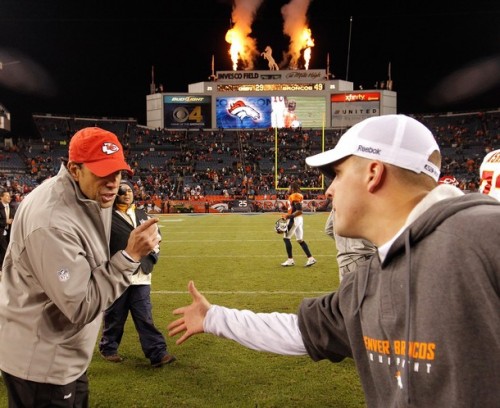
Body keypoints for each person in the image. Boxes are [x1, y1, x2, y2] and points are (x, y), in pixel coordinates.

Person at [167, 114, 500, 408]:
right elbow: (301, 331)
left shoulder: (482, 233)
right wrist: (214, 318)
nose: (329, 191)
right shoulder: (368, 280)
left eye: (337, 174)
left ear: (374, 172)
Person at [0, 127, 161, 408]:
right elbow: (80, 305)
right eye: (103, 172)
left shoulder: (87, 195)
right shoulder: (51, 222)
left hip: (63, 354)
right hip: (42, 362)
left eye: (118, 173)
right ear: (75, 169)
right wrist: (131, 256)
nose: (114, 183)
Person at [99, 180, 176, 367]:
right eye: (123, 191)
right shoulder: (106, 217)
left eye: (130, 190)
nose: (127, 194)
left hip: (142, 275)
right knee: (115, 316)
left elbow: (157, 237)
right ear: (116, 194)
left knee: (144, 315)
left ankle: (157, 353)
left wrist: (153, 257)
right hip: (119, 274)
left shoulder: (142, 214)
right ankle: (108, 347)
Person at [324, 208, 376, 282]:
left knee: (347, 292)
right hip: (362, 257)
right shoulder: (366, 203)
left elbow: (328, 229)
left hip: (343, 260)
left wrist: (342, 243)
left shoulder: (337, 205)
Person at [280, 181, 316, 267]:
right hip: (298, 219)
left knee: (286, 238)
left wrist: (288, 216)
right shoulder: (295, 196)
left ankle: (290, 260)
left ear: (292, 188)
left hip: (294, 219)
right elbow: (294, 208)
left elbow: (299, 210)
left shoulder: (295, 195)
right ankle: (311, 258)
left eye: (289, 187)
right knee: (300, 239)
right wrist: (285, 208)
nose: (288, 189)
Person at [0, 190, 15, 269]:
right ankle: (3, 267)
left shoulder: (12, 207)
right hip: (1, 231)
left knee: (5, 250)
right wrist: (5, 222)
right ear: (1, 197)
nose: (9, 197)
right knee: (4, 250)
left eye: (9, 196)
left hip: (9, 232)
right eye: (7, 196)